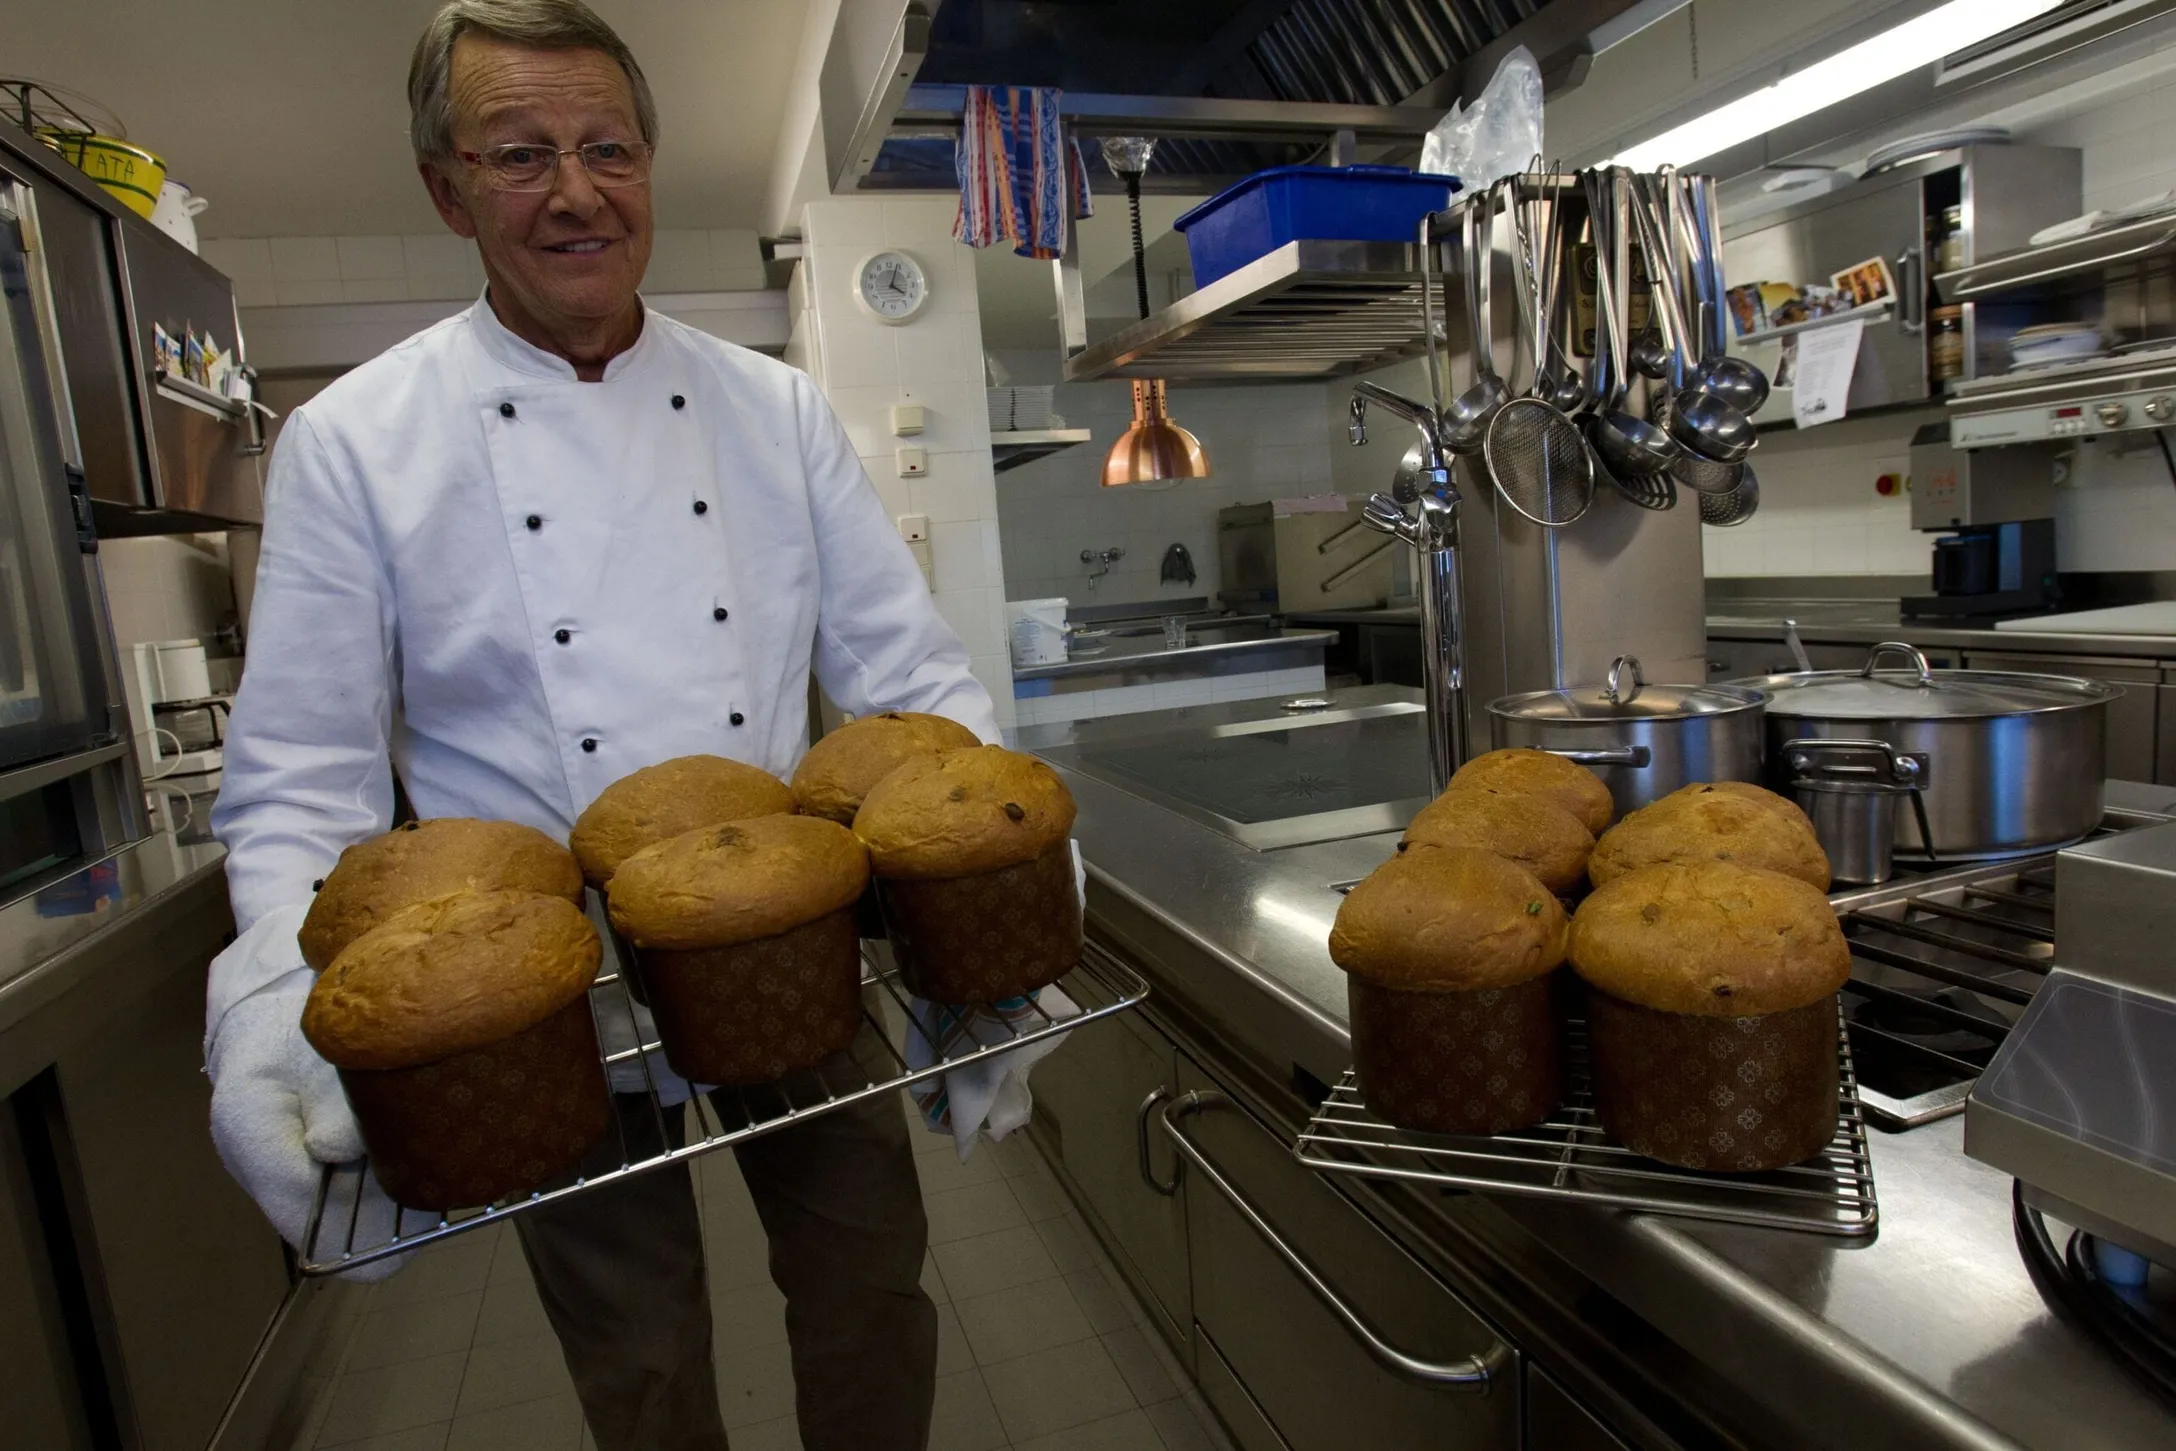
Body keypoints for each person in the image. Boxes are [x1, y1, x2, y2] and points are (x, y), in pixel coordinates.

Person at [201, 3, 991, 1447]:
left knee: (871, 1279)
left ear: (649, 165)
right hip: (542, 996)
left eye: (607, 149)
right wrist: (270, 999)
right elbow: (303, 774)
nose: (576, 192)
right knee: (641, 1360)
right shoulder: (356, 441)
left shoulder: (775, 409)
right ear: (448, 190)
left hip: (777, 944)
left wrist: (986, 904)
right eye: (521, 155)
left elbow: (909, 678)